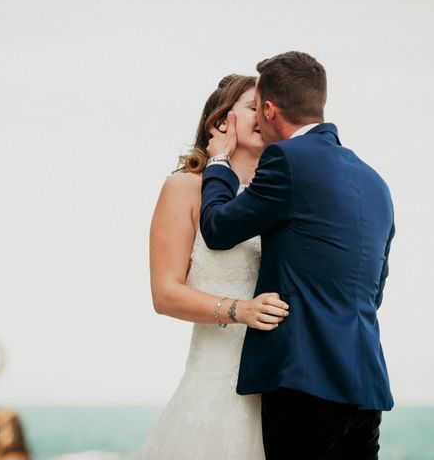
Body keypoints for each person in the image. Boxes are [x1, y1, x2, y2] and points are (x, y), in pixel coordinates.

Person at [200, 51, 395, 459]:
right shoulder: (375, 181)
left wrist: (218, 161)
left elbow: (217, 230)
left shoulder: (288, 160)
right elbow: (374, 291)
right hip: (365, 386)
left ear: (270, 109)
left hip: (303, 384)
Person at [136, 75, 290, 459]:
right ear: (220, 122)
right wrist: (241, 311)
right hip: (215, 385)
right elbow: (165, 294)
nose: (264, 115)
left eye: (269, 109)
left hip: (281, 389)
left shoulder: (281, 193)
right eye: (253, 107)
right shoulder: (185, 187)